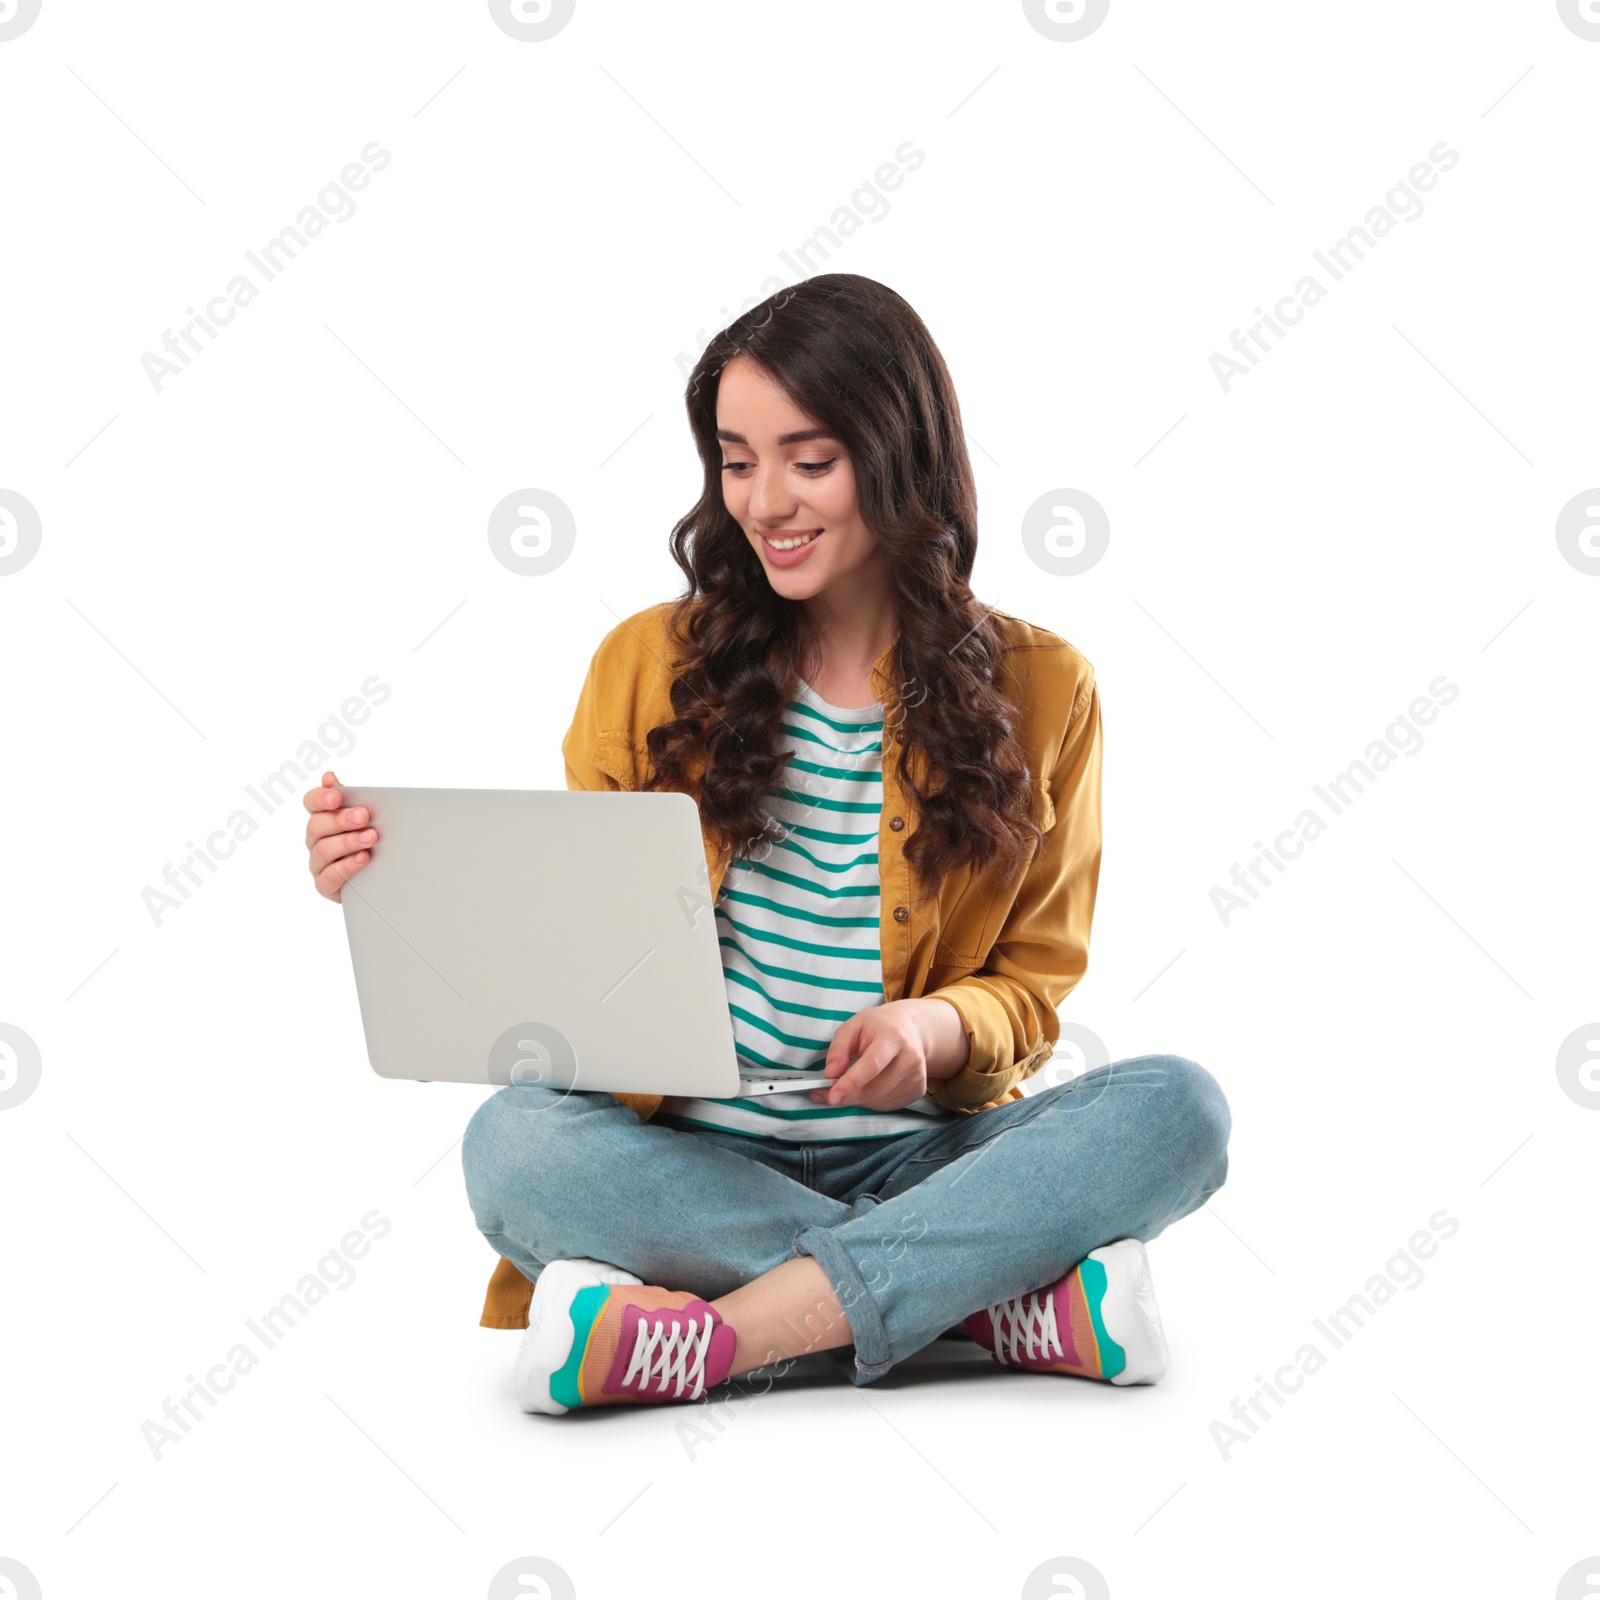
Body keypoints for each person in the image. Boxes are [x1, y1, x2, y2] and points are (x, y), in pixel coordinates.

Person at [303, 273, 1230, 1415]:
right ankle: (984, 1303)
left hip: (921, 1160)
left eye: (810, 458)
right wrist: (401, 894)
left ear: (901, 459)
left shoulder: (1046, 688)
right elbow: (574, 949)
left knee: (1178, 1108)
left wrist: (931, 1029)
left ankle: (720, 1338)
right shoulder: (645, 664)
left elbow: (1030, 993)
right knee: (515, 1146)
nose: (764, 501)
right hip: (688, 1165)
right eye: (737, 461)